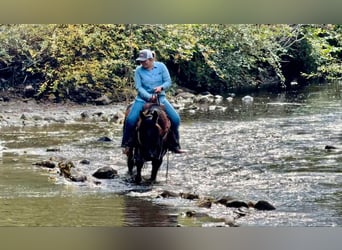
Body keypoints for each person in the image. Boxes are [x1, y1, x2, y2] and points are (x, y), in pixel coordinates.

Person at [121, 49, 184, 154]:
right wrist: (149, 97)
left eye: (144, 61)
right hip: (142, 99)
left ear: (151, 59)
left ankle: (174, 144)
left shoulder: (161, 67)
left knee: (176, 119)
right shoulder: (138, 70)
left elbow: (168, 81)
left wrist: (161, 87)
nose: (142, 63)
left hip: (161, 98)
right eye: (141, 61)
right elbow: (139, 87)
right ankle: (127, 144)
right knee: (131, 120)